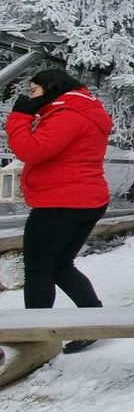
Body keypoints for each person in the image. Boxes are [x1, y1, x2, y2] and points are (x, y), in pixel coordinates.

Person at [5, 69, 111, 353]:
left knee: (39, 270)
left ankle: (36, 338)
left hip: (61, 201)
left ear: (51, 87)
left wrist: (19, 117)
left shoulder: (68, 115)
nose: (30, 96)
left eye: (33, 90)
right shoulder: (81, 109)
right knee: (61, 265)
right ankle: (95, 320)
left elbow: (31, 150)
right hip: (84, 198)